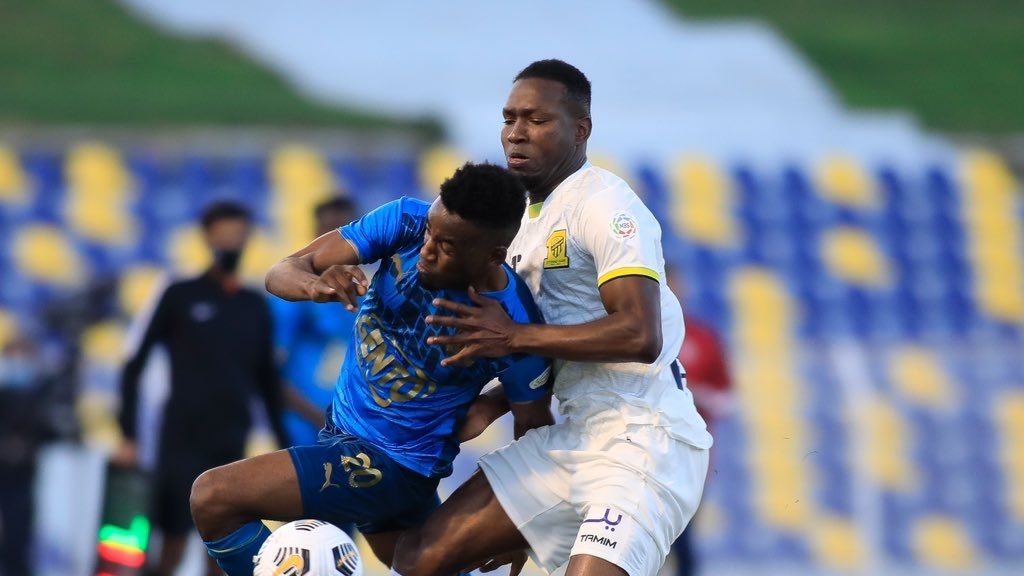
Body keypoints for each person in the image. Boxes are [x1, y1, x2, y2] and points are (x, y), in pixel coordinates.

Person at [391, 59, 713, 576]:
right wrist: (497, 401)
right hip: (571, 436)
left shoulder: (604, 204)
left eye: (536, 120)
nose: (516, 133)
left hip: (644, 443)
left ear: (580, 130)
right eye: (509, 118)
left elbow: (640, 333)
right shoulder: (516, 223)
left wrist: (515, 336)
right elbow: (547, 349)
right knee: (420, 557)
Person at [189, 162, 554, 576]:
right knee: (414, 566)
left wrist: (523, 525)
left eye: (447, 246)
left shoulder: (514, 322)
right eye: (432, 231)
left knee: (213, 497)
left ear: (494, 255)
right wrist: (317, 284)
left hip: (391, 467)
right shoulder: (405, 222)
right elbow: (282, 272)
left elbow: (535, 427)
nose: (427, 250)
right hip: (345, 437)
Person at [115, 201, 289, 576]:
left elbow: (267, 381)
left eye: (239, 233)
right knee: (171, 541)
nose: (232, 241)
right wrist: (128, 433)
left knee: (222, 543)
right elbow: (134, 362)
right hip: (181, 435)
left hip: (230, 437)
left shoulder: (255, 306)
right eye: (224, 233)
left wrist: (283, 439)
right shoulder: (179, 294)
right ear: (207, 236)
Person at [271, 196, 360, 447]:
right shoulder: (293, 297)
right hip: (303, 430)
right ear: (316, 236)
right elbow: (269, 373)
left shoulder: (369, 295)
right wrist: (320, 420)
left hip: (351, 431)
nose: (341, 245)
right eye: (330, 233)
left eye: (348, 233)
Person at [665, 265, 733, 576]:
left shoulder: (704, 338)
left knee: (683, 542)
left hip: (691, 457)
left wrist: (696, 394)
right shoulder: (639, 333)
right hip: (644, 451)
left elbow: (728, 400)